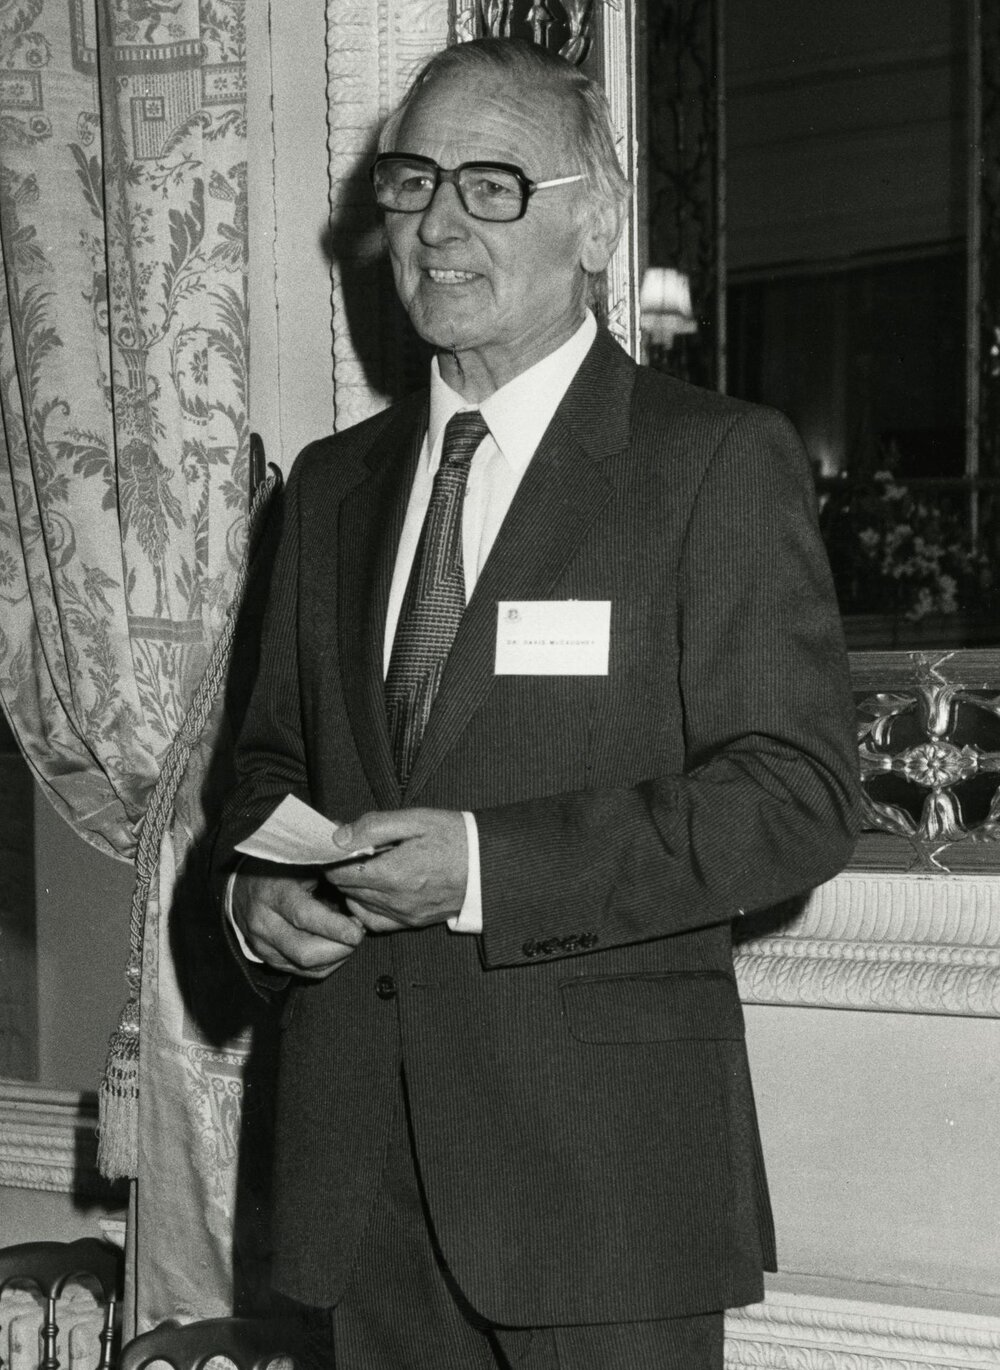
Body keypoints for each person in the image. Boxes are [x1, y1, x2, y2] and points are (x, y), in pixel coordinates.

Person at [213, 36, 860, 1370]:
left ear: (599, 222)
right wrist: (254, 904)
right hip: (361, 1190)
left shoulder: (713, 464)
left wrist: (483, 871)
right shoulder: (330, 491)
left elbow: (794, 801)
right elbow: (265, 761)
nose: (436, 222)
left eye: (491, 183)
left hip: (602, 1195)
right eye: (410, 183)